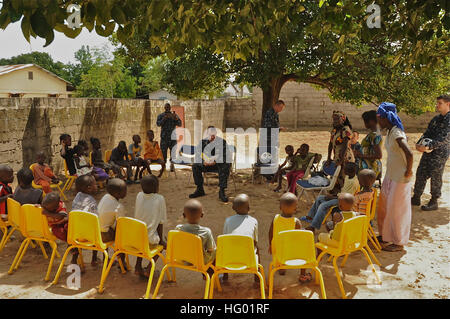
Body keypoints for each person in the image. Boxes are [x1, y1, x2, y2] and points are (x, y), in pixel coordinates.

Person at [376, 102, 413, 252]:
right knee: (385, 207)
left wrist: (408, 171)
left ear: (386, 118)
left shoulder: (397, 133)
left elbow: (409, 153)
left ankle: (398, 243)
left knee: (397, 210)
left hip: (400, 178)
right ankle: (386, 236)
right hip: (391, 176)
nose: (378, 121)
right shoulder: (391, 131)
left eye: (379, 118)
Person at [411, 95, 450, 211]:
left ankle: (434, 201)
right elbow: (427, 133)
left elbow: (444, 138)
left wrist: (428, 146)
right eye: (437, 103)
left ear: (448, 104)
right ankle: (416, 197)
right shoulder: (436, 119)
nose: (437, 105)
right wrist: (419, 143)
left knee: (435, 176)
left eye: (440, 103)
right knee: (421, 172)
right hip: (428, 152)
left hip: (440, 153)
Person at [301, 162, 359, 232]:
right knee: (319, 198)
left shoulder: (353, 183)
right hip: (340, 196)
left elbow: (346, 197)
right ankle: (310, 217)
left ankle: (313, 227)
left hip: (344, 201)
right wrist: (334, 195)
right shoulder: (348, 176)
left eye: (345, 170)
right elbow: (343, 191)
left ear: (350, 171)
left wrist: (332, 197)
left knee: (323, 205)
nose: (343, 171)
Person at [268, 192, 310, 283]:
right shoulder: (296, 222)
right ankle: (303, 275)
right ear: (295, 209)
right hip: (291, 254)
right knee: (304, 249)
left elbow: (270, 232)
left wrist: (270, 245)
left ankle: (281, 268)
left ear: (280, 208)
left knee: (282, 245)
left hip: (278, 253)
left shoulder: (275, 219)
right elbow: (299, 239)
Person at [134, 175, 167, 277]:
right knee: (162, 245)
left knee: (142, 238)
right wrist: (161, 240)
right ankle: (149, 269)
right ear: (156, 188)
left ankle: (138, 266)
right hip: (149, 239)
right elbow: (160, 222)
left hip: (136, 238)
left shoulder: (139, 195)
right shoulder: (160, 199)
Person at [221, 194, 259, 283]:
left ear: (233, 208)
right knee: (257, 249)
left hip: (229, 259)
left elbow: (225, 240)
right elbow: (255, 242)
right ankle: (257, 277)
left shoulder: (228, 220)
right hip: (248, 259)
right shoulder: (253, 221)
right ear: (249, 208)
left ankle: (225, 275)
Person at [189, 126, 232, 203]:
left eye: (213, 135)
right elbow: (198, 156)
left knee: (226, 164)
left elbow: (227, 156)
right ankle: (200, 189)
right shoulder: (202, 142)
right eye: (210, 135)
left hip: (218, 165)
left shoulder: (222, 142)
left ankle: (221, 191)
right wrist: (203, 162)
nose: (212, 137)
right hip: (206, 165)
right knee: (195, 166)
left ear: (216, 133)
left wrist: (215, 161)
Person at [41, 192, 79, 265]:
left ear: (56, 207)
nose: (45, 209)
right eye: (45, 207)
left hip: (64, 222)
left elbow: (61, 216)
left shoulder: (61, 206)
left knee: (69, 227)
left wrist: (48, 213)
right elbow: (41, 207)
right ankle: (70, 243)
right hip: (55, 226)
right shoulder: (46, 206)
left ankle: (71, 243)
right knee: (59, 232)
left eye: (49, 209)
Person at [175, 199, 216, 267]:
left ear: (184, 215)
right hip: (199, 261)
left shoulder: (178, 229)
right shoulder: (206, 232)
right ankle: (209, 275)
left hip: (182, 259)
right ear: (202, 215)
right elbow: (210, 249)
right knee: (215, 252)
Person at [98, 178, 127, 268]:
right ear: (117, 194)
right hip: (105, 235)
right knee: (122, 237)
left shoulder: (105, 197)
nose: (126, 192)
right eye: (125, 190)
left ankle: (105, 259)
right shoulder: (118, 207)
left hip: (95, 232)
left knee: (107, 226)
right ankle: (122, 263)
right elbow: (120, 225)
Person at [71, 175, 99, 265]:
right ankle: (94, 259)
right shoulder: (92, 202)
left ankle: (74, 259)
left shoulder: (77, 196)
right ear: (89, 188)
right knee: (100, 230)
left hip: (75, 234)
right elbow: (96, 220)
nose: (97, 185)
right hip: (89, 236)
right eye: (95, 184)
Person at [354, 110, 383, 183]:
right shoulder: (374, 134)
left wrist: (361, 155)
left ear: (371, 121)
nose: (364, 124)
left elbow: (378, 155)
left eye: (365, 121)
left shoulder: (374, 135)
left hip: (370, 168)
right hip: (369, 166)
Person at [156, 103, 182, 172]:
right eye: (166, 107)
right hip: (164, 138)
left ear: (170, 108)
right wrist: (164, 119)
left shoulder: (174, 115)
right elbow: (158, 124)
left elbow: (180, 124)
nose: (167, 108)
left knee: (173, 153)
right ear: (164, 108)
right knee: (163, 153)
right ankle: (163, 166)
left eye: (168, 107)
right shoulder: (161, 115)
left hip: (173, 138)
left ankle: (172, 165)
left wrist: (175, 118)